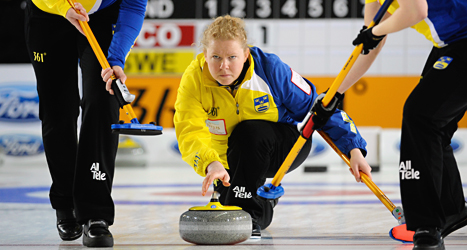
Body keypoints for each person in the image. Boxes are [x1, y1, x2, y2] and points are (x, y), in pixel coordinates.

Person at [173, 15, 372, 238]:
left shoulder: (270, 69)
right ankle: (261, 203)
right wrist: (210, 163)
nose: (223, 66)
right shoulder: (194, 79)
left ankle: (250, 214)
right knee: (231, 200)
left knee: (248, 133)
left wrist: (354, 149)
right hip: (230, 158)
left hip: (285, 147)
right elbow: (189, 129)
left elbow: (319, 108)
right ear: (204, 55)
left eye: (232, 57)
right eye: (215, 57)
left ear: (246, 54)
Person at [311, 1, 467, 249]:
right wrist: (334, 95)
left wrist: (375, 32)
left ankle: (427, 225)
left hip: (462, 41)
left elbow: (415, 12)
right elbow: (370, 46)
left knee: (420, 115)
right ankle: (451, 210)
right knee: (435, 126)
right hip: (449, 44)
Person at [24, 0, 147, 247]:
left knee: (104, 99)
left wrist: (116, 59)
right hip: (48, 12)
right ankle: (65, 201)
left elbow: (133, 6)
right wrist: (62, 8)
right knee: (58, 109)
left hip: (100, 17)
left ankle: (96, 213)